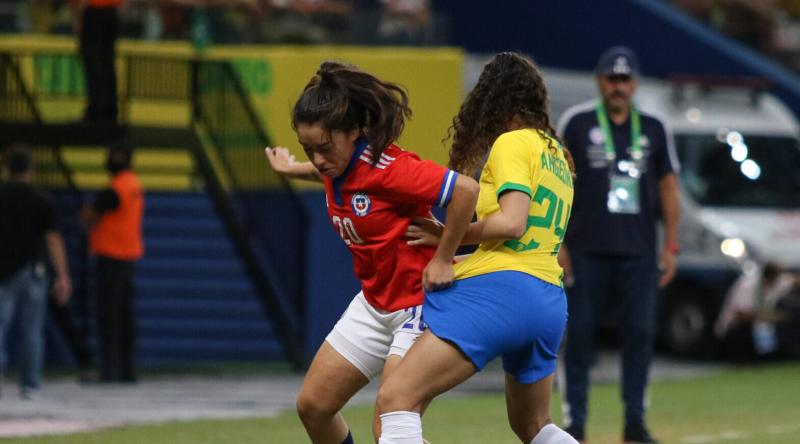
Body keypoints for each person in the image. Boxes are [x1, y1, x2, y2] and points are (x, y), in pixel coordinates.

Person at [264, 60, 478, 444]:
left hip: (418, 306)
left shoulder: (389, 168)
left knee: (390, 426)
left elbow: (465, 190)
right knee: (314, 407)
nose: (318, 159)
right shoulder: (335, 166)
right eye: (308, 149)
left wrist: (443, 257)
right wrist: (294, 168)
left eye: (323, 148)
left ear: (353, 132)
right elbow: (325, 171)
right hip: (375, 303)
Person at [376, 52, 578, 444]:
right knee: (534, 426)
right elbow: (523, 240)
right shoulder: (556, 153)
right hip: (548, 301)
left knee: (396, 398)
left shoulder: (512, 142)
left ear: (494, 100)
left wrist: (448, 236)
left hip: (504, 294)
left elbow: (512, 222)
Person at [555, 46, 681, 444]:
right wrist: (557, 243)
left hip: (639, 253)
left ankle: (635, 423)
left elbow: (668, 186)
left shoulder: (655, 127)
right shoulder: (577, 122)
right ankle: (575, 423)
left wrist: (671, 246)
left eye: (625, 80)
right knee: (579, 337)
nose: (618, 87)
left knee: (640, 337)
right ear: (599, 81)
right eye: (612, 79)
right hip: (585, 250)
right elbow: (557, 182)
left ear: (635, 84)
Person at [0, 144, 72, 399]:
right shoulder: (41, 200)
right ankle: (30, 384)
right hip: (33, 271)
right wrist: (63, 275)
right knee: (31, 330)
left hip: (3, 271)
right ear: (30, 169)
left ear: (7, 168)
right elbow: (53, 239)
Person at [80, 144, 144, 383]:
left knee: (109, 315)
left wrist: (87, 217)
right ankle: (127, 369)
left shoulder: (116, 188)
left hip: (111, 255)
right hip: (128, 256)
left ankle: (109, 369)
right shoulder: (134, 183)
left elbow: (89, 215)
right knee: (125, 315)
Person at [74, 0, 120, 122]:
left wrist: (79, 16)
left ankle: (96, 111)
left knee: (93, 62)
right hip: (110, 12)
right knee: (106, 62)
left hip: (94, 11)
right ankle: (109, 111)